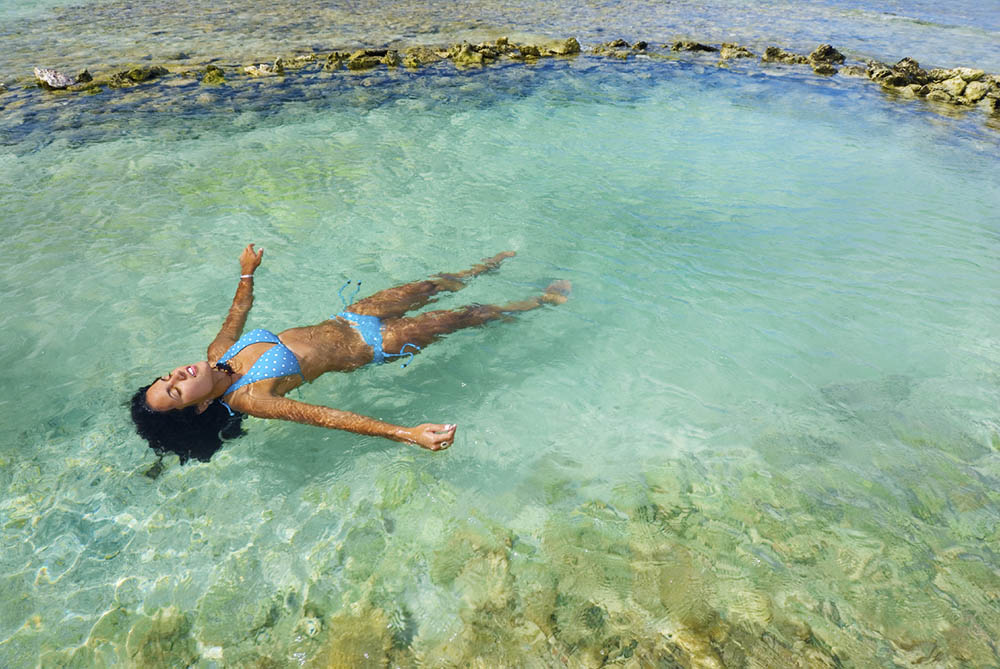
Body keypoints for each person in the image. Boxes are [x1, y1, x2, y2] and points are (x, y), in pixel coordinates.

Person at [130, 244, 570, 463]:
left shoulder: (218, 351)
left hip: (350, 317)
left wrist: (246, 272)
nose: (176, 377)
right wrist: (407, 434)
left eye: (166, 378)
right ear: (201, 404)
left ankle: (491, 265)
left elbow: (237, 310)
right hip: (374, 345)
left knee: (433, 284)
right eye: (176, 391)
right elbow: (330, 417)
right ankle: (537, 303)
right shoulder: (251, 399)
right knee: (469, 315)